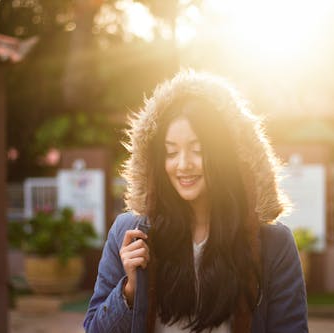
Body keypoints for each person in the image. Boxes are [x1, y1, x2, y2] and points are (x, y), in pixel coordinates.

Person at [83, 70, 308, 333]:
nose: (183, 164)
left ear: (224, 155)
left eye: (198, 150)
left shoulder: (273, 244)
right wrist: (130, 289)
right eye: (171, 152)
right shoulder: (129, 234)